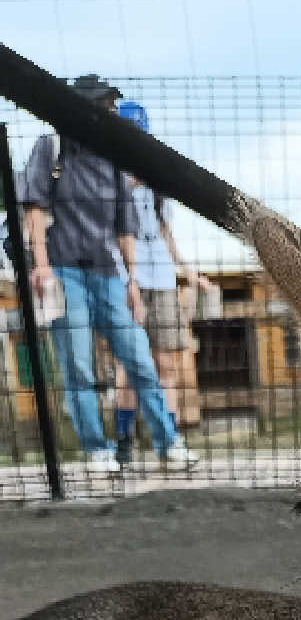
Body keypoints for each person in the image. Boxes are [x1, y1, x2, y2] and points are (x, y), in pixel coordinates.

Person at [21, 73, 198, 477]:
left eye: (111, 106)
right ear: (83, 108)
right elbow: (34, 206)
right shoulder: (52, 147)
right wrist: (42, 264)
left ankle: (168, 443)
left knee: (140, 359)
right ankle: (97, 450)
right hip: (64, 270)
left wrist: (132, 280)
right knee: (78, 366)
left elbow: (125, 227)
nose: (110, 111)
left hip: (109, 273)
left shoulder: (116, 160)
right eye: (103, 105)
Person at [113, 99, 213, 467]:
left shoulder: (158, 185)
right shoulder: (109, 181)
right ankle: (122, 441)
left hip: (163, 281)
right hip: (128, 280)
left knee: (167, 363)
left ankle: (169, 442)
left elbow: (165, 232)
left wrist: (187, 271)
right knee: (129, 365)